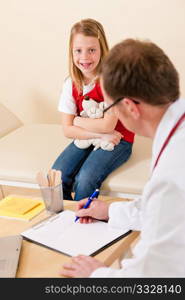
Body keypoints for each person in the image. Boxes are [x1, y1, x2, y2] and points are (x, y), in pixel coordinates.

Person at [60, 39, 185, 277]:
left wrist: (97, 274)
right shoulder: (175, 128)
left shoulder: (173, 173)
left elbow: (151, 279)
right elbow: (164, 211)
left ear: (129, 106)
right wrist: (111, 212)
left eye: (109, 106)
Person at [52, 19, 134, 201]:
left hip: (118, 139)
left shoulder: (111, 80)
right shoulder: (70, 84)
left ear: (102, 49)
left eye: (92, 50)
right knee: (57, 175)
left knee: (85, 178)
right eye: (78, 51)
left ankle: (83, 220)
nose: (85, 57)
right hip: (90, 137)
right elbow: (67, 130)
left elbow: (108, 125)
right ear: (71, 52)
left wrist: (76, 120)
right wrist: (98, 134)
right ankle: (60, 219)